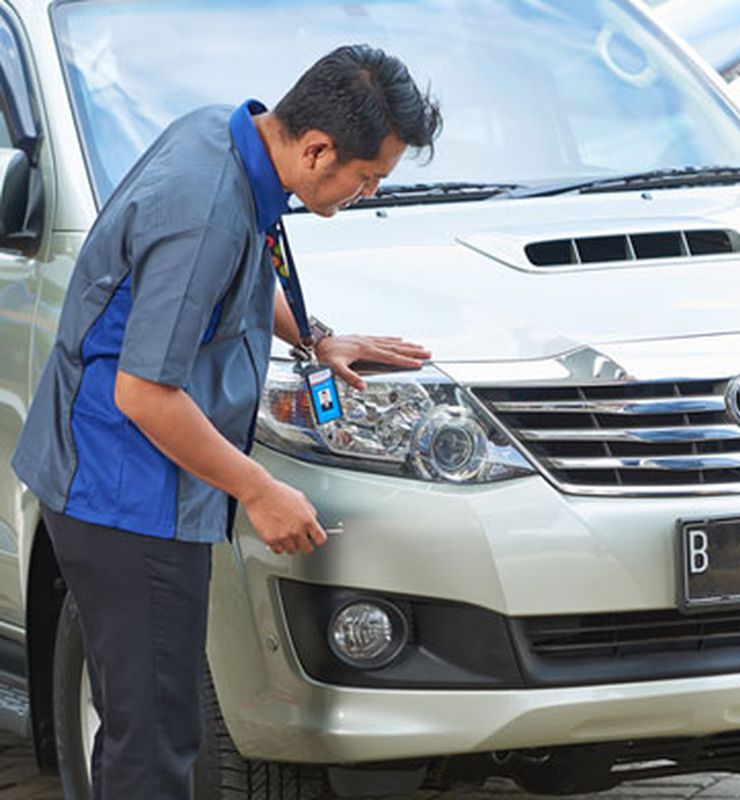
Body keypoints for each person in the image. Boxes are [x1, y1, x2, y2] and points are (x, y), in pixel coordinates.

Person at [11, 45, 441, 798]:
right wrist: (259, 490)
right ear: (316, 149)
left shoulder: (228, 136)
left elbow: (229, 279)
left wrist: (311, 336)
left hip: (123, 486)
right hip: (124, 497)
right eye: (367, 177)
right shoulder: (204, 206)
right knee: (155, 746)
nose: (367, 192)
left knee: (139, 728)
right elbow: (144, 394)